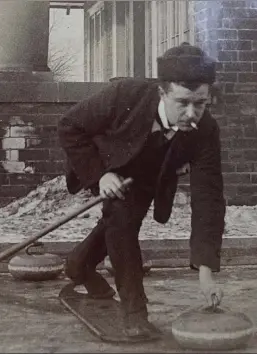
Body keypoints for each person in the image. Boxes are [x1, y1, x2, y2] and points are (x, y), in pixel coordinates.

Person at [58, 42, 226, 337]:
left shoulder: (206, 131)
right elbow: (69, 126)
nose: (191, 113)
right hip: (107, 163)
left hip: (150, 175)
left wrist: (205, 269)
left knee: (119, 221)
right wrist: (101, 175)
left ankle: (78, 265)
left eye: (200, 104)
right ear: (162, 93)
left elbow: (208, 197)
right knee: (122, 224)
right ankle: (135, 313)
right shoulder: (126, 94)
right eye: (182, 102)